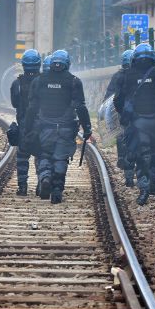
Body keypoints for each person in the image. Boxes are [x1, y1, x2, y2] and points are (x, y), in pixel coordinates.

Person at [24, 49, 92, 204]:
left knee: (45, 155)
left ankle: (45, 176)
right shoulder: (74, 81)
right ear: (67, 64)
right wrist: (87, 128)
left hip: (45, 127)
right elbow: (81, 107)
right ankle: (56, 190)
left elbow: (32, 108)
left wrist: (28, 129)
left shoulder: (39, 81)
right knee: (61, 158)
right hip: (66, 128)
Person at [115, 44, 155, 206]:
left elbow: (118, 99)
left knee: (141, 155)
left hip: (137, 123)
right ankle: (154, 184)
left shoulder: (127, 75)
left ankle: (143, 188)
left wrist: (125, 115)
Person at [11, 49, 42, 196]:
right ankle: (41, 184)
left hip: (24, 124)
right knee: (42, 154)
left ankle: (22, 186)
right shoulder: (44, 81)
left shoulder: (17, 83)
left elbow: (15, 103)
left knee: (22, 156)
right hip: (42, 124)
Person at [106, 50, 133, 172]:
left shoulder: (117, 76)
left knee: (121, 136)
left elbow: (109, 96)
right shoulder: (139, 74)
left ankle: (122, 159)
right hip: (138, 113)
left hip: (121, 112)